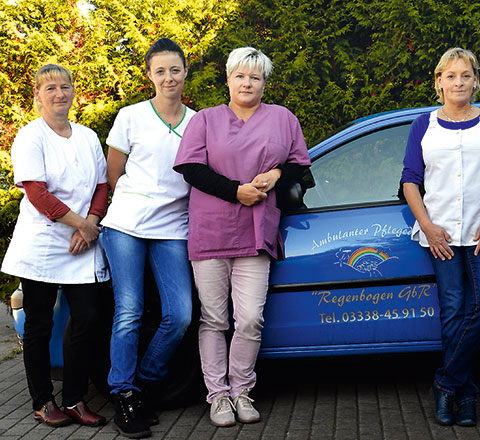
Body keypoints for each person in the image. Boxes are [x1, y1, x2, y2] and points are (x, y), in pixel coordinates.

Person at [174, 46, 311, 427]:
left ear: (265, 82)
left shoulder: (283, 119)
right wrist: (236, 191)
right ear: (228, 79)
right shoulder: (205, 120)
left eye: (255, 76)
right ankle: (217, 396)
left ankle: (242, 391)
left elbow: (300, 166)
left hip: (256, 232)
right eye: (240, 75)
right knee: (214, 319)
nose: (247, 82)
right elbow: (190, 169)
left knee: (250, 318)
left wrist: (279, 175)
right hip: (212, 231)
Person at [401, 47, 480, 427]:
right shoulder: (424, 125)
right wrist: (428, 225)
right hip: (442, 236)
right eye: (450, 76)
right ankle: (465, 396)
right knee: (452, 312)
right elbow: (409, 180)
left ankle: (445, 382)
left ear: (475, 80)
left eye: (465, 75)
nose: (458, 82)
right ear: (439, 82)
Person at [1, 64, 108, 427]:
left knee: (88, 318)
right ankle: (43, 401)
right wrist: (83, 224)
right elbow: (37, 193)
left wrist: (90, 224)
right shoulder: (30, 137)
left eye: (65, 86)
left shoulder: (88, 137)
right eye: (50, 88)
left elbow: (102, 187)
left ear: (73, 91)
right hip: (43, 245)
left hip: (83, 242)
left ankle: (75, 398)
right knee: (40, 325)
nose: (59, 93)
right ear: (37, 95)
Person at [100, 38, 196, 438]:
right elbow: (113, 172)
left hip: (173, 227)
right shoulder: (131, 116)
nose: (168, 77)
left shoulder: (198, 121)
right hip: (126, 225)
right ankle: (123, 393)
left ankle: (142, 384)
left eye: (175, 69)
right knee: (129, 311)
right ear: (149, 75)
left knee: (182, 314)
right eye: (160, 70)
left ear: (185, 73)